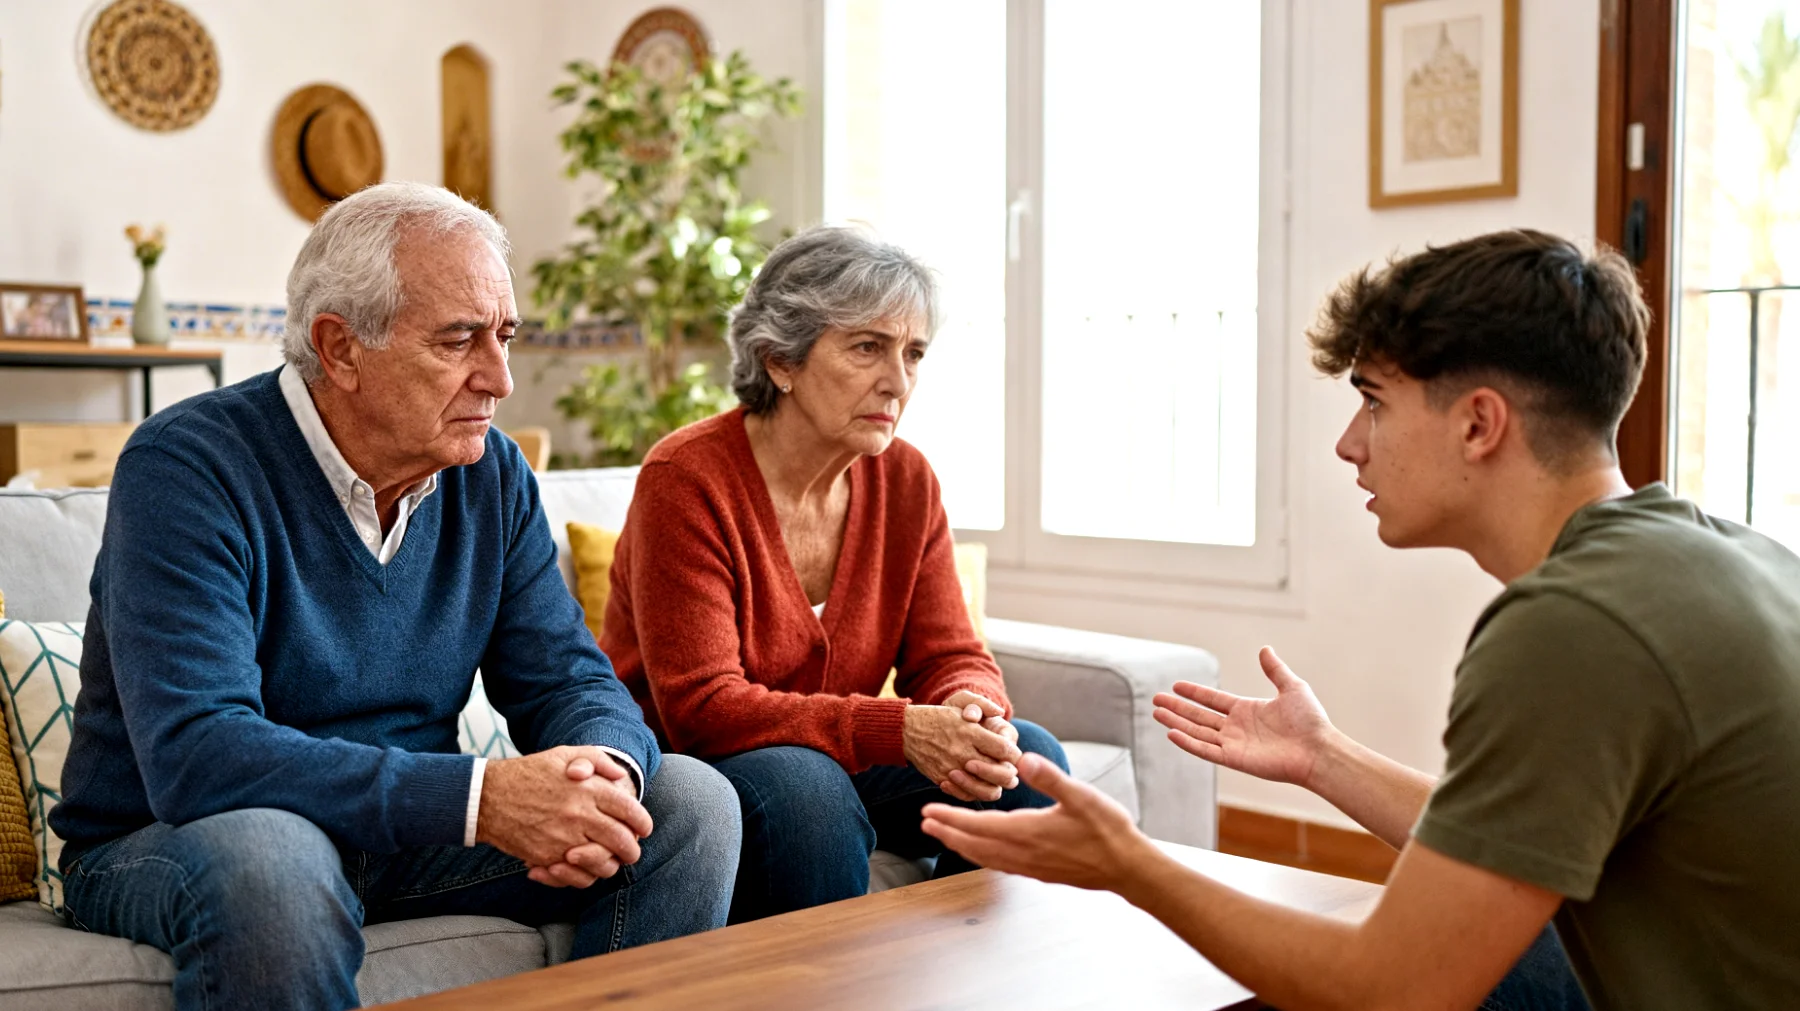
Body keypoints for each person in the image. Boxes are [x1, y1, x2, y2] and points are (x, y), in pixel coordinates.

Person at [920, 230, 1800, 1009]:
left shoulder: (1574, 626)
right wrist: (1322, 756)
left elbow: (1393, 990)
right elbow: (1514, 838)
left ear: (1480, 424)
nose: (1350, 441)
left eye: (1375, 401)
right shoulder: (1717, 555)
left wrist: (1134, 865)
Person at [51, 183, 740, 1011]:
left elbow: (568, 679)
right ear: (340, 348)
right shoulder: (187, 466)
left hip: (402, 837)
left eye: (505, 336)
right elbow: (200, 755)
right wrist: (481, 800)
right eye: (460, 340)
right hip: (178, 836)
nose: (501, 378)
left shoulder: (491, 474)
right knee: (275, 861)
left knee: (687, 805)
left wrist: (604, 777)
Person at [601, 226, 1069, 923]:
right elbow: (703, 707)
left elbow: (950, 653)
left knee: (1028, 758)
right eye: (867, 347)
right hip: (696, 768)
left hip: (832, 752)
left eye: (912, 353)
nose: (898, 381)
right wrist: (900, 728)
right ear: (780, 360)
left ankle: (958, 979)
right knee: (807, 789)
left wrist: (973, 711)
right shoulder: (687, 477)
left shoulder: (906, 479)